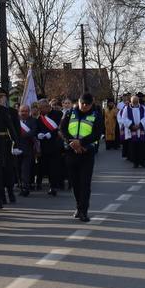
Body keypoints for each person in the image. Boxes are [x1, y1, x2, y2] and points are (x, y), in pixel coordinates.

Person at [63, 94, 103, 222]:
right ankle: (78, 206)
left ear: (92, 104)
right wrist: (72, 142)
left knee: (85, 183)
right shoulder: (69, 113)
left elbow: (97, 134)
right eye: (82, 103)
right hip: (71, 151)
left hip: (87, 152)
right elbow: (62, 129)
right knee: (75, 183)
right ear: (78, 102)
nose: (84, 106)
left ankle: (84, 211)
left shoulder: (96, 115)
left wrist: (81, 143)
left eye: (87, 104)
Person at [121, 93, 145, 168]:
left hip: (141, 129)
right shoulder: (127, 108)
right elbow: (123, 118)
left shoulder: (142, 108)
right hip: (132, 130)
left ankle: (142, 161)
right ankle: (135, 162)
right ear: (131, 102)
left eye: (136, 102)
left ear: (138, 101)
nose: (135, 103)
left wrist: (140, 125)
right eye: (134, 102)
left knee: (142, 146)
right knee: (134, 147)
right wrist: (131, 125)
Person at [14, 104, 38, 195]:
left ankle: (25, 188)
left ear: (29, 112)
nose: (23, 113)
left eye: (25, 111)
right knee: (18, 169)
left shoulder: (33, 121)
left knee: (25, 169)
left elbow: (33, 132)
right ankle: (21, 186)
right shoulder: (16, 121)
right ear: (19, 112)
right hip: (16, 149)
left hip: (28, 149)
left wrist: (20, 135)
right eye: (22, 111)